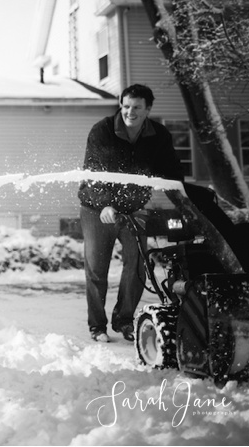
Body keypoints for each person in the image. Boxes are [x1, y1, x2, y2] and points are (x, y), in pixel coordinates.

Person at [78, 84, 184, 343]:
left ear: (148, 109)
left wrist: (185, 201)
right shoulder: (103, 130)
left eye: (137, 107)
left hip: (134, 208)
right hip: (97, 208)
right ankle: (97, 326)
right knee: (96, 269)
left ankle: (124, 320)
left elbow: (171, 171)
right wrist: (105, 204)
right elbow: (93, 171)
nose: (130, 112)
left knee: (137, 267)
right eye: (126, 106)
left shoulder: (158, 136)